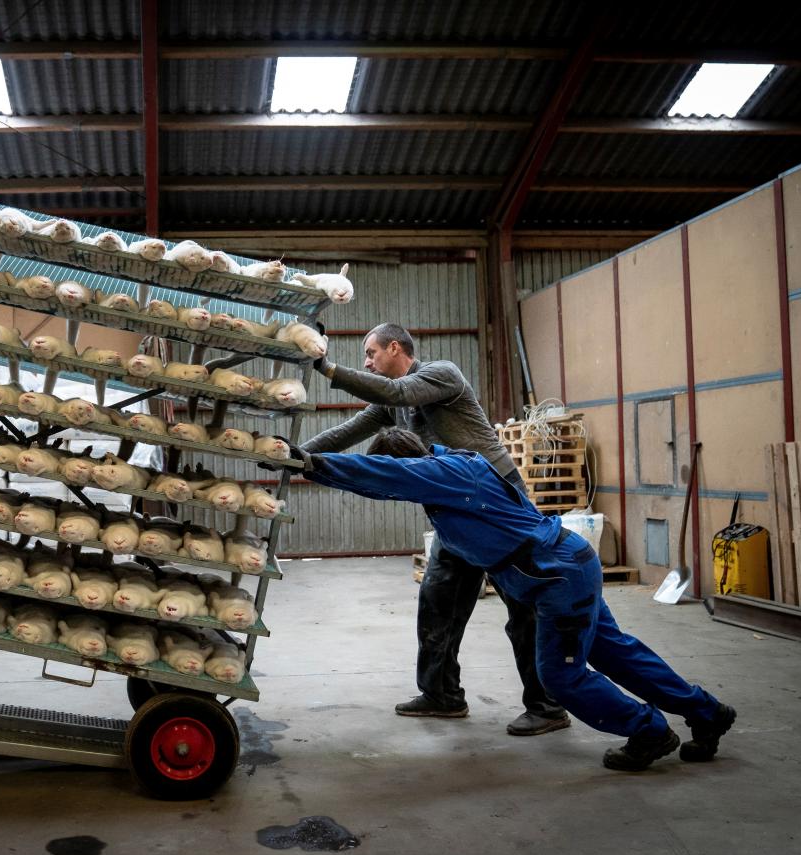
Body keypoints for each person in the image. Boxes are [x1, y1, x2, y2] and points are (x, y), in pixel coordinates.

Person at [294, 429, 736, 770]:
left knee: (561, 677)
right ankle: (706, 712)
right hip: (565, 566)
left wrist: (312, 462)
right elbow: (393, 481)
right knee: (612, 651)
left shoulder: (443, 474)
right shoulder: (451, 467)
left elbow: (384, 477)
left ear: (408, 464)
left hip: (557, 577)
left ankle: (649, 732)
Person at [302, 323, 567, 736]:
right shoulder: (391, 405)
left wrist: (329, 370)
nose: (367, 363)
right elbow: (347, 432)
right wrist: (294, 455)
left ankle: (548, 706)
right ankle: (442, 695)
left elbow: (397, 391)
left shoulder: (441, 374)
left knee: (523, 607)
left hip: (496, 500)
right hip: (453, 509)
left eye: (371, 354)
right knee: (439, 597)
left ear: (395, 347)